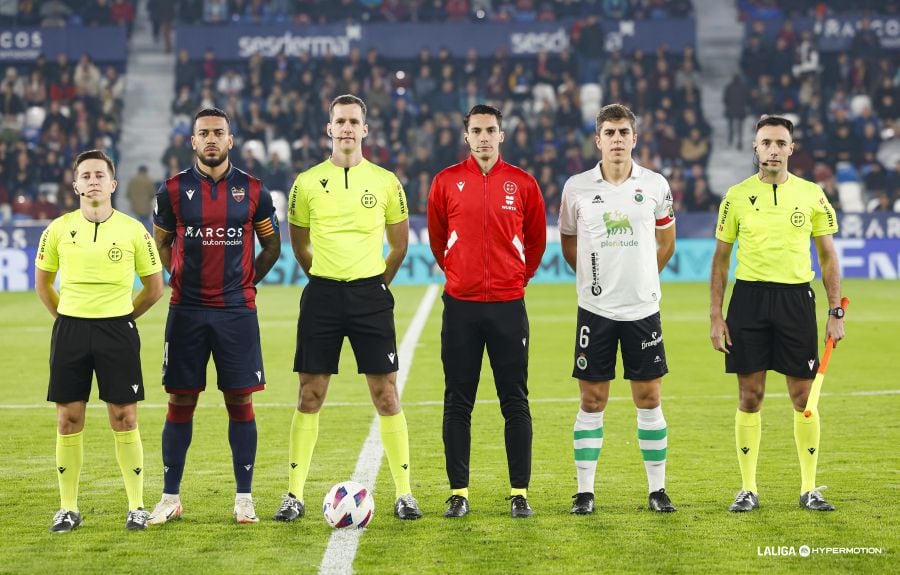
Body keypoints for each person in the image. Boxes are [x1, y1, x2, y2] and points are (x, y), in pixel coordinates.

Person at [273, 94, 420, 522]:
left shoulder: (386, 181)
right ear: (329, 128)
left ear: (365, 129)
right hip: (322, 294)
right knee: (310, 393)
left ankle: (404, 493)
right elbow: (299, 243)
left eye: (355, 121)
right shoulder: (306, 182)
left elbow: (399, 244)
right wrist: (323, 275)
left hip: (370, 297)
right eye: (340, 121)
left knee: (386, 393)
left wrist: (375, 283)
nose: (347, 128)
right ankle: (294, 495)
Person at [148, 108, 281, 525]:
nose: (210, 139)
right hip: (186, 311)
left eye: (217, 133)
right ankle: (170, 497)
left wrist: (243, 283)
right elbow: (162, 244)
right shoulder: (171, 191)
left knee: (239, 399)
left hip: (236, 312)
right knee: (180, 399)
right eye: (202, 133)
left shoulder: (254, 190)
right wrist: (180, 278)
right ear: (191, 141)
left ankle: (244, 498)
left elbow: (272, 247)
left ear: (230, 139)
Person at [710, 115, 844, 513]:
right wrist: (717, 316)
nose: (772, 149)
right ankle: (748, 488)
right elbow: (720, 261)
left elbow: (828, 257)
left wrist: (835, 309)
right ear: (755, 147)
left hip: (795, 302)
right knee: (750, 395)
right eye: (765, 142)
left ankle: (809, 488)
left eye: (780, 142)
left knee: (803, 397)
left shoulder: (812, 194)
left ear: (791, 148)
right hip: (748, 301)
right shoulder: (735, 195)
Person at [427, 104, 547, 519]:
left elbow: (535, 242)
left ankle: (519, 493)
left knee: (514, 399)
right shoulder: (445, 182)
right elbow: (438, 239)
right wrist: (462, 277)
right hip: (460, 306)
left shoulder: (523, 184)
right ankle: (459, 493)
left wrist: (514, 279)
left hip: (508, 306)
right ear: (466, 136)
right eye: (476, 130)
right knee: (458, 401)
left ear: (502, 135)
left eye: (490, 130)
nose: (483, 137)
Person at [35, 149, 164, 532]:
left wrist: (123, 318)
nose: (92, 180)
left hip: (116, 331)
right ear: (75, 184)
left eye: (99, 175)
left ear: (113, 183)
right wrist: (66, 318)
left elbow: (155, 288)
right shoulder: (57, 229)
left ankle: (137, 506)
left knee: (124, 417)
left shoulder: (133, 230)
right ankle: (68, 508)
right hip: (71, 330)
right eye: (85, 175)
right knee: (68, 418)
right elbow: (43, 284)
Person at [558, 103, 677, 515]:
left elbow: (667, 243)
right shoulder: (576, 188)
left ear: (634, 138)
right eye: (609, 133)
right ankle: (585, 492)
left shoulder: (657, 185)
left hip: (643, 310)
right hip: (595, 310)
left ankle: (657, 490)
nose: (617, 140)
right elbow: (569, 243)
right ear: (598, 140)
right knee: (592, 400)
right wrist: (597, 279)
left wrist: (642, 278)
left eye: (624, 132)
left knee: (649, 397)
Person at [126, 165, 156, 229]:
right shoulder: (148, 180)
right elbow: (152, 194)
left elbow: (128, 194)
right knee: (146, 224)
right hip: (146, 207)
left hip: (135, 207)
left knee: (137, 223)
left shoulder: (132, 181)